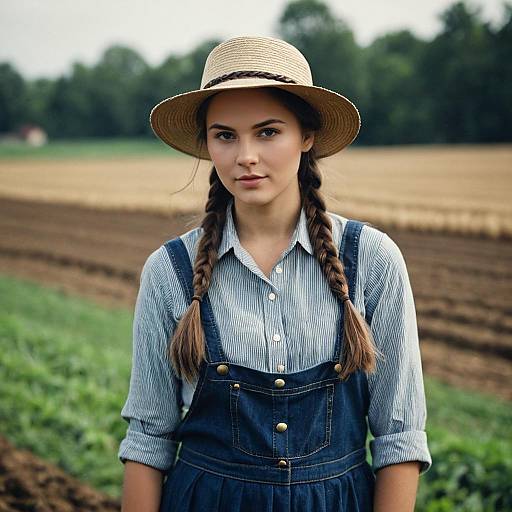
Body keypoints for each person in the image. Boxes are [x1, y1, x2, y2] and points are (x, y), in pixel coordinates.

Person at [117, 35, 432, 512]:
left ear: (306, 136)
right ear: (207, 144)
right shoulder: (170, 272)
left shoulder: (372, 261)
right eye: (225, 135)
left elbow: (400, 439)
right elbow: (148, 439)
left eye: (267, 132)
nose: (245, 155)